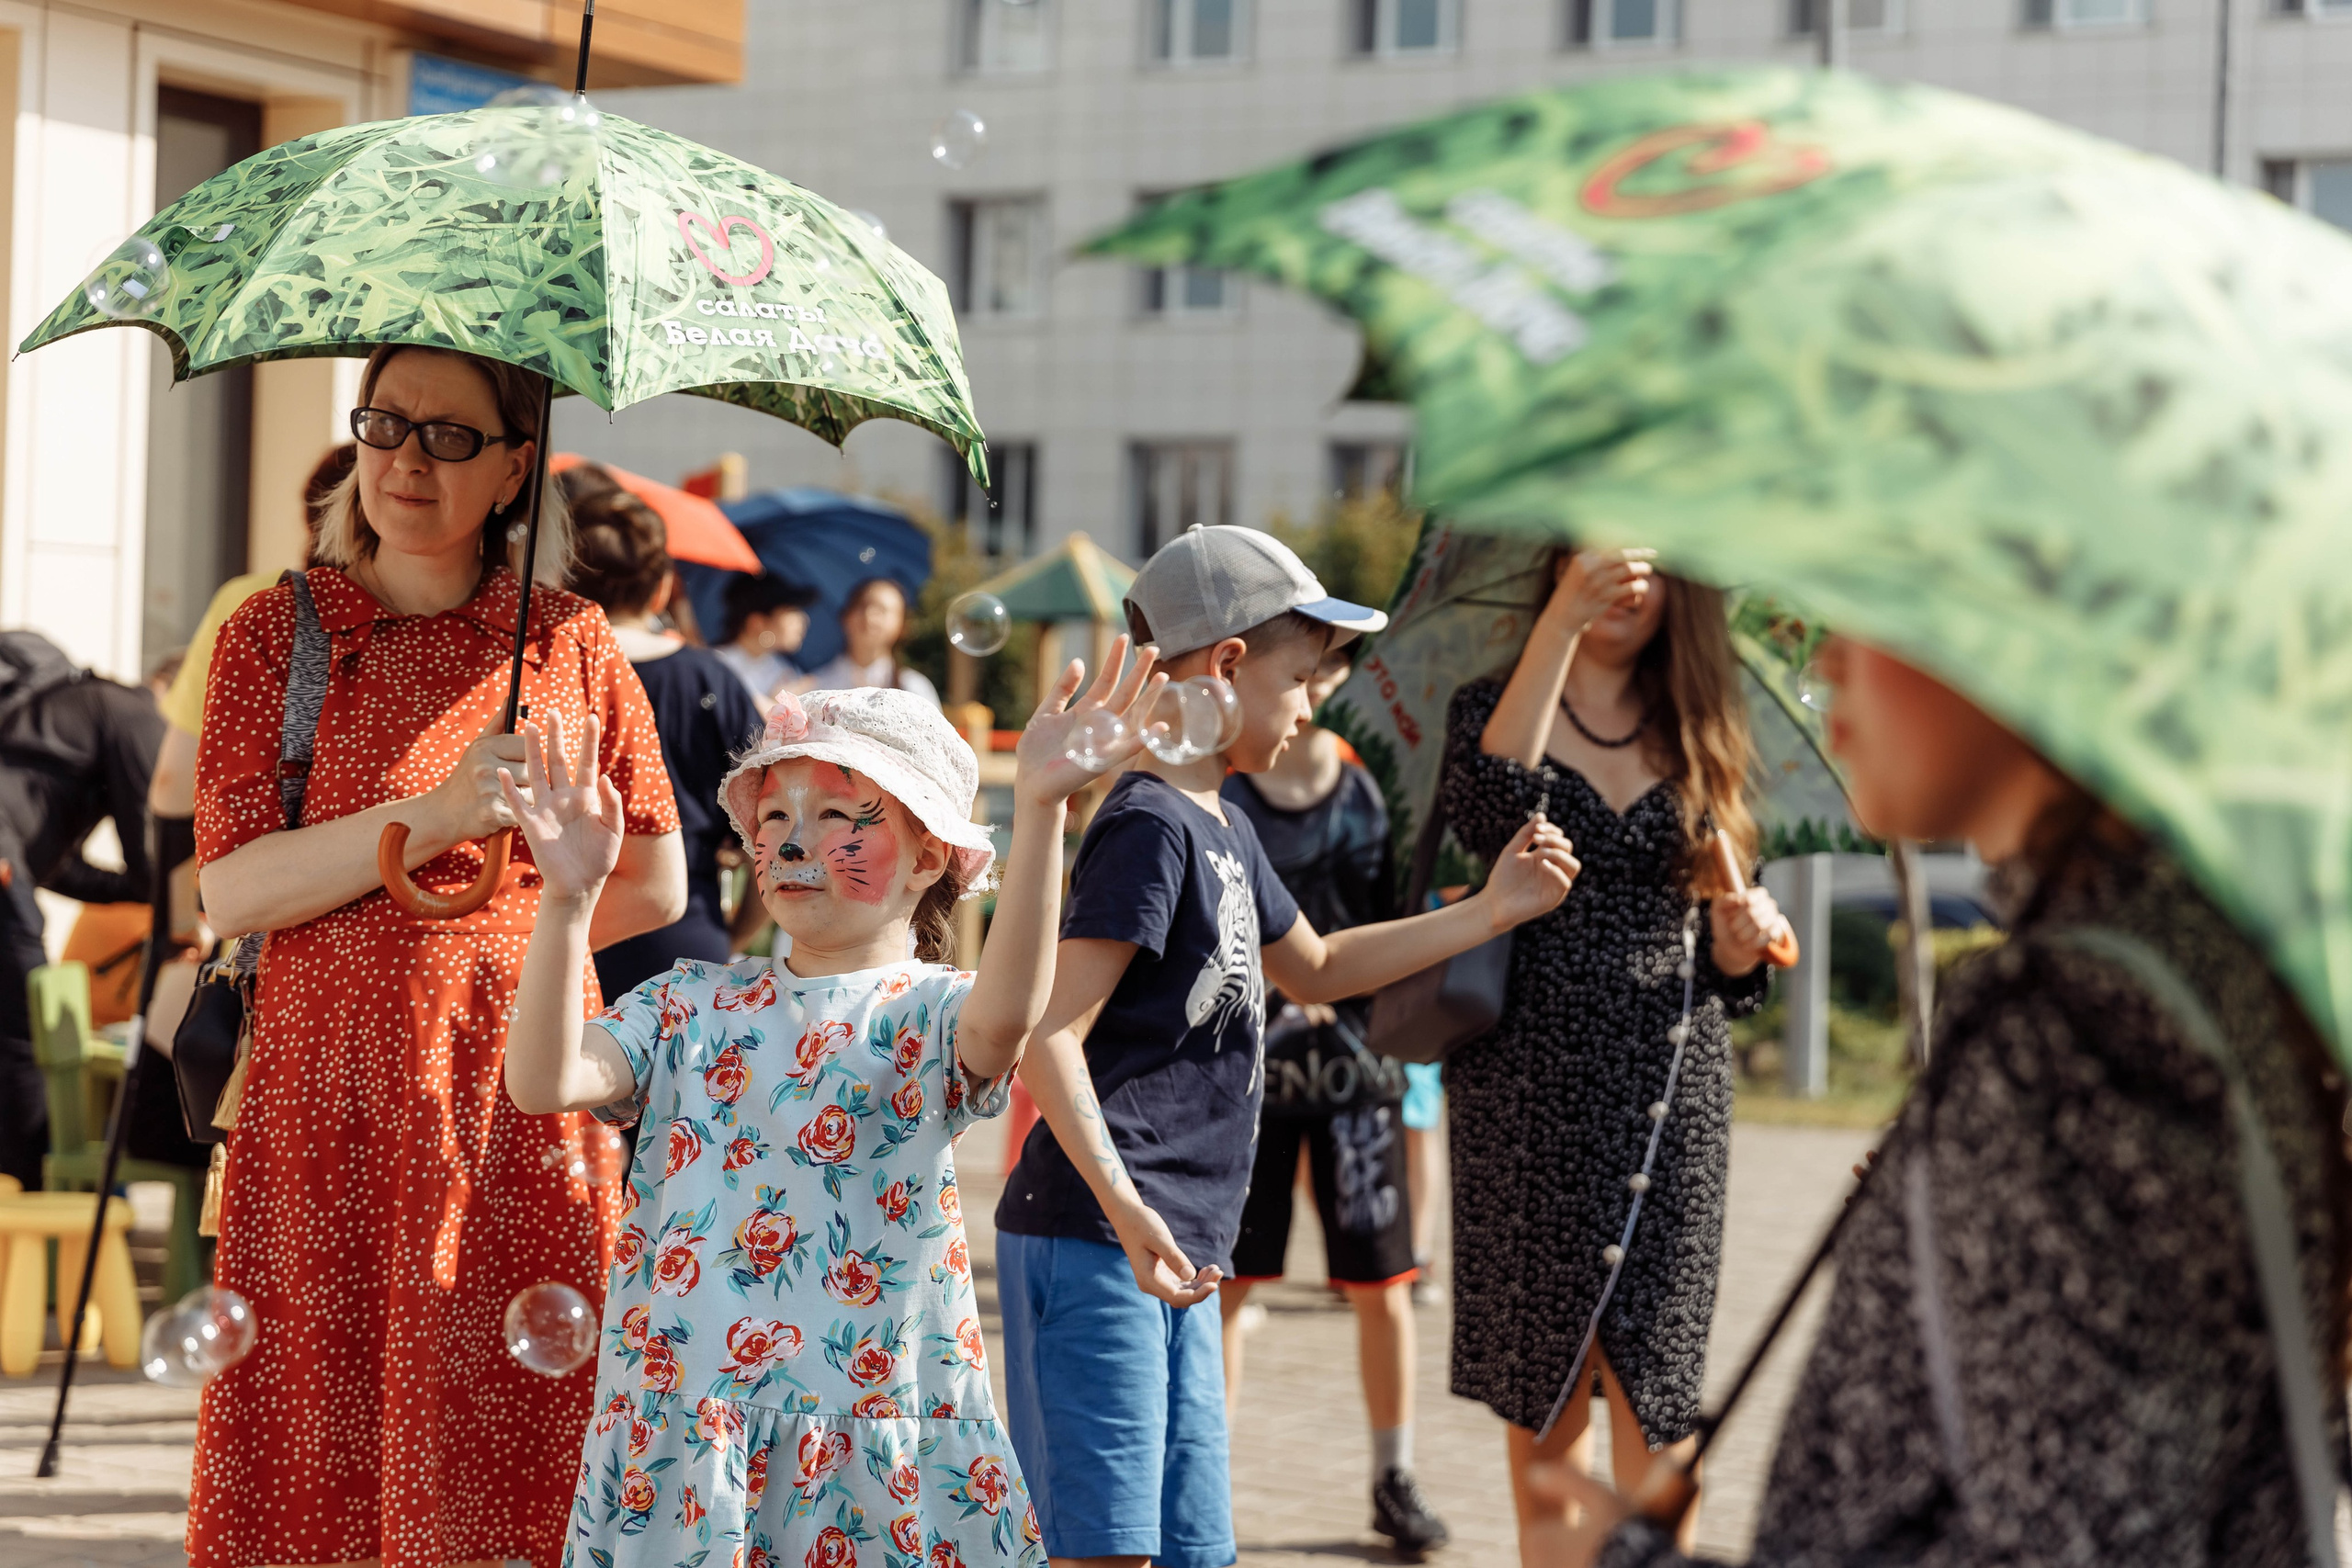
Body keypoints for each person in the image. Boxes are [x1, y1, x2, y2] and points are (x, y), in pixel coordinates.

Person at [1568, 635, 2352, 1568]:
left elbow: (2078, 1546)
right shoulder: (2196, 965)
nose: (1821, 666)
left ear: (2012, 648)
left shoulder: (2058, 1032)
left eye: (1874, 619)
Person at [187, 344, 687, 1568]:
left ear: (519, 465)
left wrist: (503, 954)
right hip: (325, 1104)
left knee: (513, 1445)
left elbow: (657, 880)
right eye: (386, 423)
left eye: (451, 435)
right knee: (316, 1453)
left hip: (508, 1103)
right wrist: (437, 823)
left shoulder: (569, 642)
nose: (407, 455)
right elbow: (232, 886)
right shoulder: (279, 630)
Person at [501, 648, 1166, 1566]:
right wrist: (567, 903)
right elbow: (542, 1080)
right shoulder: (685, 1003)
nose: (796, 844)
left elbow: (1012, 1013)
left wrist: (1045, 808)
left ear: (928, 854)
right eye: (775, 818)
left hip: (864, 1438)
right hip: (689, 1445)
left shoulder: (934, 1013)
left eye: (842, 818)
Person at [995, 525, 1579, 1568]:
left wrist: (1491, 913)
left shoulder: (1221, 819)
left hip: (1170, 1247)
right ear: (1227, 666)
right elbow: (1048, 1037)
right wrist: (1128, 1213)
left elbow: (1314, 966)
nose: (1313, 706)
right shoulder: (1150, 824)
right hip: (1096, 1238)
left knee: (1191, 1552)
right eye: (1303, 679)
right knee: (1107, 1553)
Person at [1435, 547, 1785, 1563]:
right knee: (1545, 1393)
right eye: (1597, 557)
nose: (1624, 583)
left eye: (1646, 563)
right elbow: (1494, 804)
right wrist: (1562, 625)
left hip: (1670, 1097)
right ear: (1555, 569)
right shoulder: (1494, 706)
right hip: (1526, 1092)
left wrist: (1732, 949)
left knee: (1659, 1388)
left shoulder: (1703, 728)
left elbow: (1723, 943)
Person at [1218, 638, 1449, 1553]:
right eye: (1292, 663)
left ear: (1347, 675)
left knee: (1381, 1286)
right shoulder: (1225, 796)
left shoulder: (1378, 791)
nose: (1309, 686)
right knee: (1227, 1287)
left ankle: (1394, 1476)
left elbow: (1404, 919)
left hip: (1361, 1074)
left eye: (1327, 664)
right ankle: (1208, 1471)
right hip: (1247, 1081)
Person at [560, 466, 767, 997]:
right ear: (660, 589)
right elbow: (768, 823)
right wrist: (739, 929)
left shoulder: (551, 670)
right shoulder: (708, 676)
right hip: (685, 938)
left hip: (559, 931)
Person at [0, 630, 163, 1190]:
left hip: (8, 861)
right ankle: (28, 1196)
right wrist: (179, 904)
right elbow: (152, 850)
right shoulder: (136, 712)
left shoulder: (63, 717)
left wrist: (141, 893)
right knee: (22, 1032)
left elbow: (59, 868)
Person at [808, 575, 940, 705]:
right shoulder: (815, 687)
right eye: (862, 606)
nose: (869, 616)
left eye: (882, 610)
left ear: (902, 626)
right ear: (845, 616)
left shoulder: (915, 688)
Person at [715, 571, 819, 705]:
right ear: (757, 622)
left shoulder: (784, 671)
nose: (804, 620)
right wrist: (773, 706)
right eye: (790, 611)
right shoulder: (718, 665)